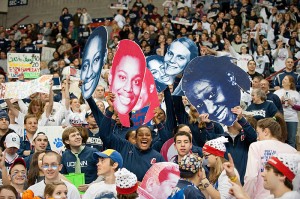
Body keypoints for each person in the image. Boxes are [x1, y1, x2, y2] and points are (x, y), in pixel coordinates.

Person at [90, 92, 165, 181]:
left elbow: (165, 140)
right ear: (135, 138)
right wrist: (111, 110)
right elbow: (104, 135)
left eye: (147, 135)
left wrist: (156, 120)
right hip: (123, 193)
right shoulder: (124, 147)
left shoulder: (158, 156)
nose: (144, 137)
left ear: (151, 139)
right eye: (140, 135)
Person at [183, 56, 250, 126]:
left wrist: (242, 120)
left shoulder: (250, 115)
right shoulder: (205, 127)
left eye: (211, 95)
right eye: (199, 105)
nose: (210, 110)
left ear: (230, 77)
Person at [243, 116, 297, 199]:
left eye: (258, 133)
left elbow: (251, 177)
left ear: (266, 131)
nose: (257, 137)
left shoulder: (256, 146)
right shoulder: (292, 150)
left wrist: (246, 196)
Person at [108, 39, 146, 126]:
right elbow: (105, 135)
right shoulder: (106, 115)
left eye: (136, 81)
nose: (128, 88)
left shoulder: (145, 117)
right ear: (110, 77)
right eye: (122, 77)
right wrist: (111, 109)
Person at [80, 26, 108, 99]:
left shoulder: (105, 72)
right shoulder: (82, 77)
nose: (89, 73)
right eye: (86, 65)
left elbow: (107, 73)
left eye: (95, 60)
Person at [274, 75, 300, 148]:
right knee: (279, 139)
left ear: (290, 83)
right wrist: (280, 102)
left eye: (285, 79)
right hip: (279, 118)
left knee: (291, 140)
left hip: (292, 119)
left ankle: (290, 157)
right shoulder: (277, 92)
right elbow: (272, 105)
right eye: (283, 79)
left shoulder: (296, 93)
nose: (283, 80)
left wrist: (292, 104)